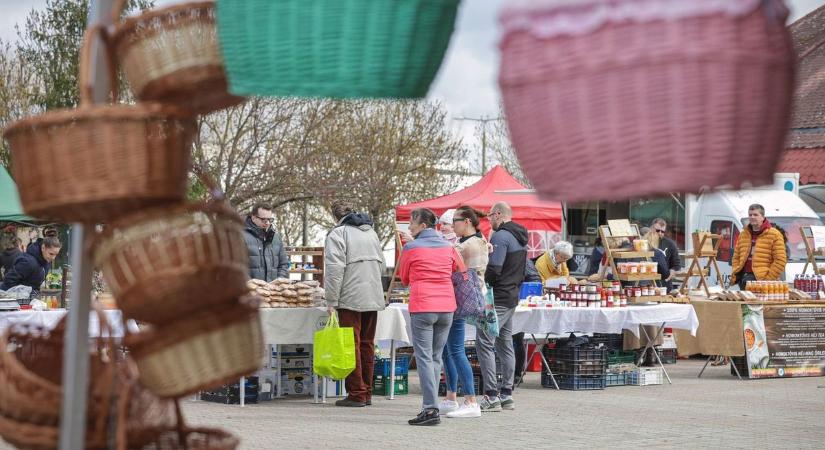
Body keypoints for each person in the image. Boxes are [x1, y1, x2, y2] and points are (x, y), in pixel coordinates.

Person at [399, 208, 462, 426]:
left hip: (423, 305)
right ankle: (432, 405)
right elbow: (459, 270)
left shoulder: (410, 247)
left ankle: (430, 409)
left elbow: (404, 278)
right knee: (435, 357)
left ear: (423, 226)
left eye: (412, 223)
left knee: (424, 357)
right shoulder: (449, 246)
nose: (409, 227)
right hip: (446, 306)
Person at [324, 201, 386, 408]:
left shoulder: (338, 234)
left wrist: (331, 300)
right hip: (373, 296)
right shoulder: (371, 233)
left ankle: (357, 393)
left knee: (351, 344)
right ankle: (367, 391)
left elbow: (334, 270)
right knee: (367, 343)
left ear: (335, 217)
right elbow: (382, 266)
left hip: (350, 297)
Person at [479, 201, 527, 412]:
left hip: (497, 297)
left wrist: (482, 279)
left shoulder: (500, 236)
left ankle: (491, 395)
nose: (489, 220)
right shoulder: (520, 237)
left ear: (498, 214)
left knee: (484, 342)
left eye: (490, 216)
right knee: (505, 343)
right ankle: (506, 393)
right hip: (511, 296)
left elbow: (495, 268)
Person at [439, 206, 486, 418]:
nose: (451, 226)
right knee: (449, 350)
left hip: (458, 300)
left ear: (466, 221)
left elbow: (448, 262)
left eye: (455, 221)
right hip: (457, 300)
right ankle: (452, 397)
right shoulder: (476, 241)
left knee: (456, 350)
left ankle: (470, 400)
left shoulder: (468, 245)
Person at [731, 204, 787, 290]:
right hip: (743, 278)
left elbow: (780, 260)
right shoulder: (743, 234)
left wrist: (767, 280)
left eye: (755, 215)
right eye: (750, 215)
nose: (752, 217)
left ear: (763, 217)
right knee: (745, 303)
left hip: (761, 280)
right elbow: (736, 257)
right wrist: (736, 271)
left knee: (756, 304)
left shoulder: (775, 234)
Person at [243, 203, 289, 282]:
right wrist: (251, 286)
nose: (267, 223)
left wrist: (279, 282)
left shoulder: (276, 238)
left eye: (270, 219)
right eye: (263, 219)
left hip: (273, 291)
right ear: (253, 217)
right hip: (250, 292)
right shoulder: (240, 237)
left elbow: (283, 264)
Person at [650, 218, 681, 291]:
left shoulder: (670, 244)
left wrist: (672, 270)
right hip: (648, 283)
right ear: (651, 228)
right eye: (657, 230)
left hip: (664, 283)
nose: (660, 233)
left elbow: (676, 264)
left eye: (662, 231)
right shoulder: (645, 242)